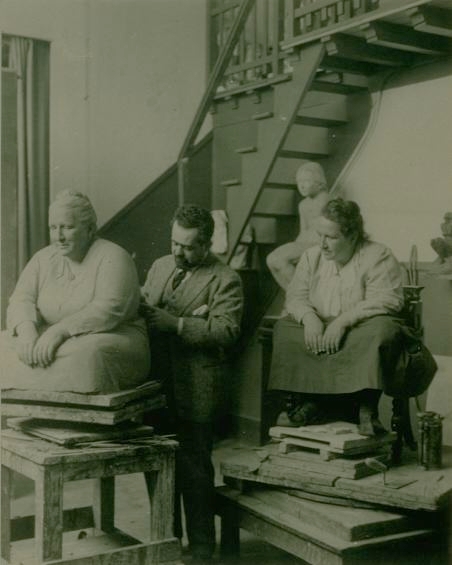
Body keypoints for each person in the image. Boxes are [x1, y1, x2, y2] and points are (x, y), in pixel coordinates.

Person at [141, 204, 243, 562]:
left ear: (206, 245)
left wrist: (179, 325)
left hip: (197, 388)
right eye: (174, 243)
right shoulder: (159, 267)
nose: (177, 252)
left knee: (195, 471)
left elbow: (227, 330)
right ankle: (166, 541)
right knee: (159, 466)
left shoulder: (225, 278)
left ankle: (201, 548)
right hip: (156, 385)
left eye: (186, 247)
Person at [268, 198, 405, 436]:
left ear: (353, 237)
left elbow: (387, 299)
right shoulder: (312, 256)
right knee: (284, 329)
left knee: (382, 330)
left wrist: (343, 321)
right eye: (319, 235)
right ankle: (310, 403)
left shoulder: (378, 255)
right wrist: (310, 318)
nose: (322, 244)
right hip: (320, 324)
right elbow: (295, 297)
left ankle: (365, 407)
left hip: (358, 326)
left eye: (331, 237)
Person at [1, 190, 150, 393]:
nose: (59, 237)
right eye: (53, 228)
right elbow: (21, 299)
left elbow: (108, 308)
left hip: (111, 336)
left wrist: (59, 331)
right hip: (48, 337)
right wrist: (27, 333)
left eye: (68, 228)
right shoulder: (43, 259)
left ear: (90, 229)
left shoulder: (113, 257)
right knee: (4, 345)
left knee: (88, 354)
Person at [266, 161, 329, 290]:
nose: (302, 185)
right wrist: (294, 246)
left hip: (318, 243)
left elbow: (331, 229)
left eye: (306, 181)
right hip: (304, 243)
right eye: (299, 181)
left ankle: (304, 294)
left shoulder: (326, 200)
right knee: (271, 260)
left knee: (279, 260)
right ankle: (293, 295)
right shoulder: (303, 205)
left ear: (319, 182)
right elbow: (303, 230)